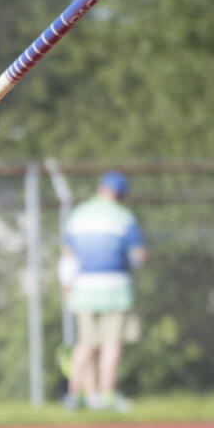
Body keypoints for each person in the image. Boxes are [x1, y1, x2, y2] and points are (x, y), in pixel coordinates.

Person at [59, 170, 146, 412]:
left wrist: (67, 288)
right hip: (116, 288)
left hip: (83, 287)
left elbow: (68, 258)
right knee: (111, 344)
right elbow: (138, 257)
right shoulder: (123, 217)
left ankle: (76, 394)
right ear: (120, 195)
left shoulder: (78, 215)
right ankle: (106, 395)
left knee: (85, 344)